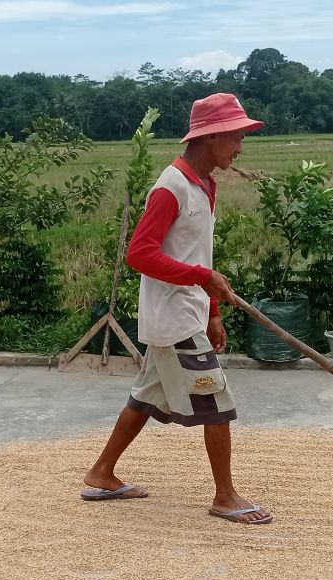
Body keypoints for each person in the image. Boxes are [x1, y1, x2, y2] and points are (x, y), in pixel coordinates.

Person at [81, 93, 272, 524]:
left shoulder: (205, 185)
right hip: (173, 319)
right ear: (212, 137)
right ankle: (225, 496)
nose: (240, 147)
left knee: (146, 396)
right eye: (237, 137)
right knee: (216, 400)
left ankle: (102, 472)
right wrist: (203, 281)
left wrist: (212, 311)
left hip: (185, 312)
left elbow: (195, 255)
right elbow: (140, 254)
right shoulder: (171, 187)